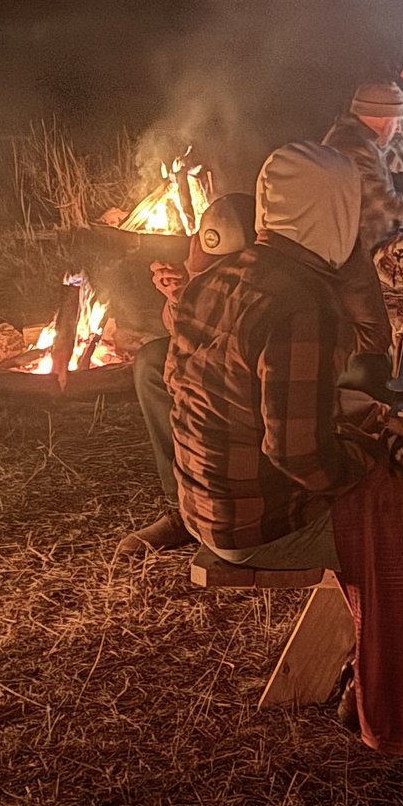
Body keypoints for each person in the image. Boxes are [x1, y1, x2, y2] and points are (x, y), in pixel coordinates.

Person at [166, 143, 370, 570]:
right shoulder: (303, 302)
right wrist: (368, 465)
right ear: (335, 210)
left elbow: (185, 388)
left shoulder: (214, 276)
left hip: (202, 514)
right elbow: (299, 456)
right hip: (264, 530)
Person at [120, 192, 255, 554]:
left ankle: (242, 499)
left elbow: (236, 328)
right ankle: (181, 505)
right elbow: (184, 335)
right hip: (221, 356)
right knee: (152, 361)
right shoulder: (205, 258)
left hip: (252, 362)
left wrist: (196, 290)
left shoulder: (274, 265)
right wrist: (181, 294)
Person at [323, 80, 403, 380]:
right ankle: (377, 382)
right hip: (353, 255)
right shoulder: (355, 147)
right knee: (375, 330)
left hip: (355, 245)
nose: (398, 128)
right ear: (385, 117)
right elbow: (388, 206)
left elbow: (383, 185)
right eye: (397, 121)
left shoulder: (358, 137)